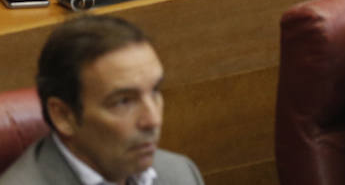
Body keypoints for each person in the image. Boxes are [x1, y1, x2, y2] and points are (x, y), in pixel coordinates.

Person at [0, 15, 203, 185]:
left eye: (155, 91)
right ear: (64, 116)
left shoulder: (179, 174)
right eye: (123, 101)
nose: (153, 120)